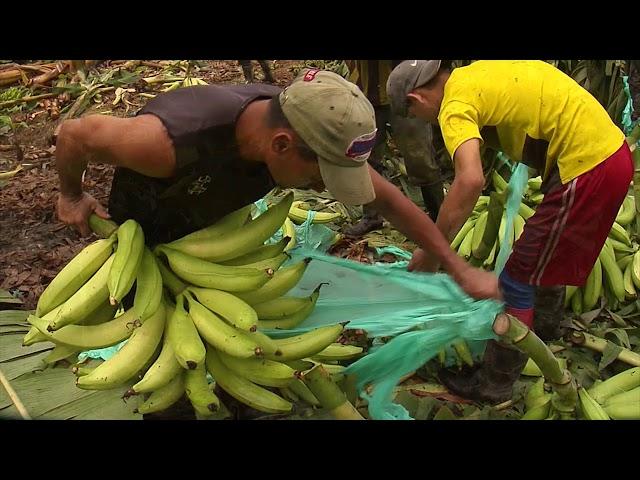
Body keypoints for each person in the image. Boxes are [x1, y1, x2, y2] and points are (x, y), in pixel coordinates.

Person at [54, 68, 499, 302]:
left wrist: (457, 269)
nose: (323, 186)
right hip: (155, 201)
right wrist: (72, 195)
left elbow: (394, 204)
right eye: (319, 174)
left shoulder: (306, 122)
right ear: (282, 145)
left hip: (216, 215)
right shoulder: (165, 142)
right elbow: (73, 134)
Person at [387, 60, 634, 403]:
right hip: (605, 155)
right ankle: (544, 327)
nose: (424, 122)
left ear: (415, 99)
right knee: (545, 252)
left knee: (518, 276)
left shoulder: (454, 106)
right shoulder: (477, 75)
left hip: (587, 165)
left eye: (415, 115)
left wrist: (432, 250)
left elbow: (470, 180)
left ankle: (494, 383)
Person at [343, 60, 445, 236]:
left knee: (419, 156)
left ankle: (440, 219)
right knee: (367, 155)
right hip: (368, 90)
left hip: (405, 86)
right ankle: (371, 216)